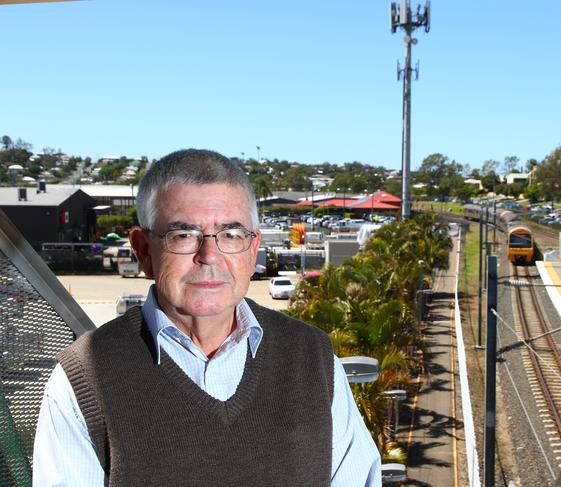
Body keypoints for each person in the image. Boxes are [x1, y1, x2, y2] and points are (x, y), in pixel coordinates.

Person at [33, 149, 381, 486]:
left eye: (231, 234)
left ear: (253, 248)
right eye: (183, 235)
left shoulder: (314, 358)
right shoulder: (84, 378)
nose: (209, 255)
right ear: (143, 251)